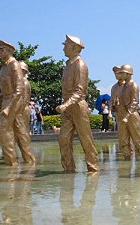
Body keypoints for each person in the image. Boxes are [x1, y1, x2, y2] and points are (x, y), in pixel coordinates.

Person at [55, 35, 99, 173]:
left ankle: (93, 168)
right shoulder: (68, 65)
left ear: (74, 47)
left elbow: (80, 91)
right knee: (63, 139)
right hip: (67, 106)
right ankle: (69, 168)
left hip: (77, 106)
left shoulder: (80, 65)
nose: (63, 48)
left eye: (66, 46)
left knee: (86, 139)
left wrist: (66, 105)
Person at [0, 40, 35, 166]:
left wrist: (9, 107)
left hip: (14, 101)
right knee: (20, 131)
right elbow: (7, 86)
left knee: (2, 128)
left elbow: (18, 90)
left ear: (8, 50)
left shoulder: (14, 64)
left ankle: (11, 162)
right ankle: (28, 160)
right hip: (7, 100)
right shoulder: (4, 66)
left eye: (2, 50)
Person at [117, 64, 140, 160]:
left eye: (122, 73)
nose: (120, 75)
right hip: (123, 115)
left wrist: (127, 116)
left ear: (127, 74)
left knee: (138, 139)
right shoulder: (123, 86)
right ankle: (127, 160)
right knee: (123, 140)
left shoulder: (133, 85)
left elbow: (135, 102)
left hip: (131, 116)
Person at [109, 66, 125, 133]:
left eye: (118, 73)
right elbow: (111, 100)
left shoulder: (128, 85)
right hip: (118, 112)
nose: (116, 75)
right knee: (122, 134)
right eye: (115, 73)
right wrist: (109, 112)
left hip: (128, 112)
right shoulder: (114, 87)